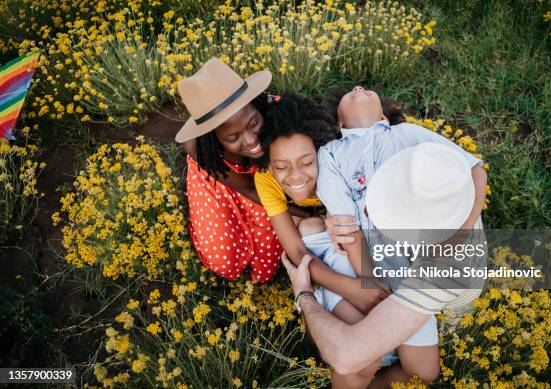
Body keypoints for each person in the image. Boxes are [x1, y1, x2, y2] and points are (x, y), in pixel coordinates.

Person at [290, 86, 488, 387]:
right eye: (350, 94)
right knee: (367, 358)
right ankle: (380, 338)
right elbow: (347, 228)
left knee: (423, 371)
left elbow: (475, 167)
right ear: (339, 125)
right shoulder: (332, 151)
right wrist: (367, 284)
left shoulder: (406, 134)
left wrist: (460, 233)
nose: (358, 88)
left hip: (417, 273)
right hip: (368, 259)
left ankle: (384, 344)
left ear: (384, 116)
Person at [253, 92, 440, 385]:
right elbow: (295, 250)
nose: (295, 176)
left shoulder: (341, 160)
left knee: (424, 374)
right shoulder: (266, 178)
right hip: (339, 254)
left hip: (378, 250)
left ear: (324, 151)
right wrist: (354, 288)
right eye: (281, 167)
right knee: (362, 359)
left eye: (306, 162)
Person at [175, 59, 388, 311]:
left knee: (274, 252)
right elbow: (249, 189)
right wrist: (310, 212)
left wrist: (327, 208)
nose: (252, 139)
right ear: (214, 138)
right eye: (233, 137)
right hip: (235, 183)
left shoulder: (282, 117)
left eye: (253, 124)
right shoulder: (202, 148)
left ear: (257, 105)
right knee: (225, 258)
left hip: (279, 177)